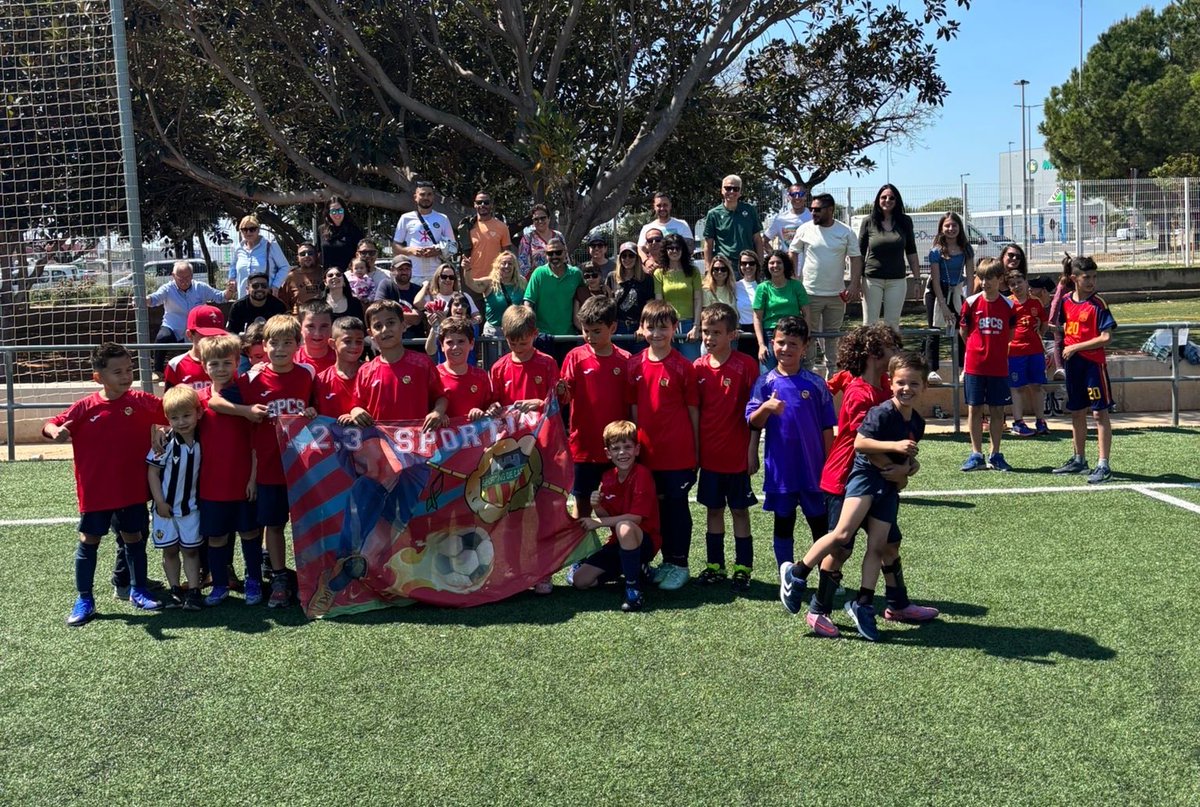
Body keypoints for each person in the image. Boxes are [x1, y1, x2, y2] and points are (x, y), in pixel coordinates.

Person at [779, 351, 928, 642]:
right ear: (890, 380)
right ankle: (798, 574)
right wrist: (896, 457)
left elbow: (908, 457)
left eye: (914, 383)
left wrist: (908, 469)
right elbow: (861, 443)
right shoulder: (880, 409)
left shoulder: (917, 422)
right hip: (861, 480)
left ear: (924, 387)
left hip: (886, 488)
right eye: (900, 382)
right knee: (841, 538)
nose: (906, 388)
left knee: (880, 545)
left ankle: (865, 603)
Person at [44, 342, 168, 626]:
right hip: (96, 492)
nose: (126, 376)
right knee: (89, 541)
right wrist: (56, 432)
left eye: (129, 370)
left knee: (134, 537)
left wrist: (165, 427)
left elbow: (173, 410)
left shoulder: (141, 401)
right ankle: (85, 598)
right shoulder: (86, 407)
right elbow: (53, 423)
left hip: (133, 489)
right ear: (98, 377)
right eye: (117, 372)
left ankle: (137, 590)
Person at [224, 314, 316, 609]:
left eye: (287, 343)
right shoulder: (250, 378)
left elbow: (320, 409)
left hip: (303, 468)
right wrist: (245, 409)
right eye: (273, 343)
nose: (279, 349)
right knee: (274, 525)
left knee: (307, 524)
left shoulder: (308, 374)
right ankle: (278, 577)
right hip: (268, 467)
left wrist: (313, 411)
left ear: (297, 345)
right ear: (264, 345)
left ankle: (311, 576)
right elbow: (214, 399)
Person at [745, 317, 835, 572]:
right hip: (781, 469)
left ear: (805, 347)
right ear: (772, 343)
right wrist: (766, 408)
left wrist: (829, 465)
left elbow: (827, 427)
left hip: (813, 469)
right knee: (783, 522)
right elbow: (752, 421)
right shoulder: (765, 384)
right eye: (781, 343)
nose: (786, 349)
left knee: (819, 524)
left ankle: (826, 574)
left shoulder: (816, 384)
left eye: (793, 344)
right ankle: (785, 572)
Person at [626, 300, 699, 591]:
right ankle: (663, 561)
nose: (656, 332)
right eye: (651, 326)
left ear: (674, 329)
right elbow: (633, 409)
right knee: (653, 509)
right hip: (646, 454)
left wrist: (696, 453)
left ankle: (679, 563)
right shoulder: (634, 364)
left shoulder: (683, 367)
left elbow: (693, 412)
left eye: (663, 327)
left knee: (677, 508)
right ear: (642, 328)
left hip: (678, 454)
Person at [693, 303, 760, 592]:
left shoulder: (746, 365)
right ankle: (714, 565)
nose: (709, 338)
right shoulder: (697, 368)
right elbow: (694, 414)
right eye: (706, 332)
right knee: (713, 511)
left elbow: (755, 416)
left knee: (740, 512)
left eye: (716, 333)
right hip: (709, 457)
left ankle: (743, 567)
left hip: (737, 456)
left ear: (732, 334)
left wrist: (752, 450)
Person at [196, 333, 267, 607]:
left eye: (226, 363)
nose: (220, 369)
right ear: (204, 366)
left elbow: (255, 444)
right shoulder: (198, 399)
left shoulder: (246, 393)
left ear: (238, 362)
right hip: (212, 483)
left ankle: (253, 581)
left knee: (249, 533)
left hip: (243, 480)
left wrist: (252, 478)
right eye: (214, 364)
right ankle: (219, 582)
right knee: (216, 537)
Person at [571, 420, 661, 613]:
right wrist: (597, 506)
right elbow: (610, 516)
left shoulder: (642, 474)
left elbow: (635, 519)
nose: (622, 453)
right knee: (581, 580)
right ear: (608, 453)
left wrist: (597, 522)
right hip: (618, 542)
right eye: (616, 448)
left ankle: (633, 588)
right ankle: (635, 569)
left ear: (637, 450)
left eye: (627, 447)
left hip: (644, 541)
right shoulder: (607, 477)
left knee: (625, 527)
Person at [561, 297, 631, 518]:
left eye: (596, 331)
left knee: (618, 506)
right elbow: (564, 398)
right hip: (584, 447)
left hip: (618, 448)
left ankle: (619, 550)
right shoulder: (575, 357)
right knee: (582, 505)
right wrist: (560, 391)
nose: (590, 337)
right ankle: (580, 553)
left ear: (613, 327)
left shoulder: (626, 360)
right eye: (586, 330)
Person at [1051, 254, 1117, 484]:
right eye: (1086, 277)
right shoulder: (1067, 301)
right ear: (1074, 278)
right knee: (1077, 411)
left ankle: (1103, 464)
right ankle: (1079, 459)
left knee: (1099, 412)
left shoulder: (1099, 303)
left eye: (1094, 277)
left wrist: (1076, 346)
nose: (1091, 281)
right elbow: (1058, 325)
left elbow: (1106, 336)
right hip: (1074, 365)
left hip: (1092, 365)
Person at [789, 192, 863, 373]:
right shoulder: (805, 229)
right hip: (809, 295)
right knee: (810, 336)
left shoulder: (845, 231)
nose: (813, 213)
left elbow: (856, 258)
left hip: (836, 296)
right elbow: (793, 252)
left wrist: (854, 285)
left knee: (832, 339)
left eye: (817, 210)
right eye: (812, 209)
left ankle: (832, 384)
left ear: (830, 210)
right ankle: (808, 378)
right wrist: (794, 279)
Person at [347, 300, 448, 428]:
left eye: (390, 323)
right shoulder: (365, 370)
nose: (385, 329)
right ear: (371, 333)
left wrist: (437, 412)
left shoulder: (423, 363)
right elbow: (356, 405)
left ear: (403, 325)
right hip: (380, 445)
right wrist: (356, 412)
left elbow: (441, 397)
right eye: (378, 326)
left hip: (418, 443)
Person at [147, 385, 204, 611]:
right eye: (174, 417)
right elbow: (152, 472)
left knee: (190, 550)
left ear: (198, 413)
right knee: (170, 549)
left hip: (191, 508)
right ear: (167, 419)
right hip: (166, 509)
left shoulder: (204, 438)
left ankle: (193, 591)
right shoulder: (165, 443)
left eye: (187, 415)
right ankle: (174, 590)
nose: (181, 422)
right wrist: (159, 501)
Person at [959, 258, 1016, 473]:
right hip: (975, 365)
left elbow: (1010, 334)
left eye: (990, 278)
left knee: (997, 410)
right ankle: (976, 454)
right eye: (981, 277)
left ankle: (995, 454)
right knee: (974, 409)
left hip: (999, 366)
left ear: (1000, 279)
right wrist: (976, 348)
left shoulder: (1009, 305)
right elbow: (964, 331)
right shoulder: (971, 302)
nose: (985, 282)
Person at [145, 259, 227, 374]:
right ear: (173, 276)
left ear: (192, 275)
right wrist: (146, 300)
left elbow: (220, 297)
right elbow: (155, 299)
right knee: (162, 338)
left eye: (187, 277)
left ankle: (205, 371)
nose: (184, 281)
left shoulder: (201, 287)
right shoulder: (167, 289)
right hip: (173, 326)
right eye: (180, 278)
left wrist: (229, 291)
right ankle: (157, 370)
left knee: (204, 346)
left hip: (196, 328)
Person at [858, 184, 920, 329]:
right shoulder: (868, 221)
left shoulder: (905, 221)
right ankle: (869, 353)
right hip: (872, 279)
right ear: (878, 200)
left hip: (897, 280)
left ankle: (891, 352)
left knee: (892, 325)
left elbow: (911, 251)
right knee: (869, 325)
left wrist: (917, 281)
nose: (887, 200)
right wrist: (856, 281)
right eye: (883, 197)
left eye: (891, 197)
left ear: (897, 200)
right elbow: (859, 254)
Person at [923, 212, 974, 385]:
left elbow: (971, 276)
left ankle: (963, 367)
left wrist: (970, 301)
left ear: (960, 228)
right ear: (941, 228)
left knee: (963, 327)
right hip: (937, 291)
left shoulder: (966, 249)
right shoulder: (936, 251)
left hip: (957, 289)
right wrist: (943, 307)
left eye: (954, 225)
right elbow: (935, 280)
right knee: (935, 328)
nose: (951, 229)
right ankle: (931, 369)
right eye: (947, 226)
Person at [489, 305, 561, 415]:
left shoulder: (548, 363)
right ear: (504, 334)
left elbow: (558, 402)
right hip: (511, 429)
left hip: (540, 429)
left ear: (535, 333)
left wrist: (540, 404)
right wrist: (493, 407)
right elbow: (493, 401)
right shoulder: (498, 368)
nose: (518, 348)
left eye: (523, 343)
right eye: (512, 343)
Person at [523, 236, 582, 363]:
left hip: (568, 337)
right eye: (550, 253)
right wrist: (530, 327)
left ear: (565, 252)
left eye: (558, 252)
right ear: (545, 255)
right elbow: (528, 303)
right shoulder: (539, 273)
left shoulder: (576, 274)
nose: (554, 256)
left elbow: (585, 300)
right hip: (543, 338)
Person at [1005, 266, 1049, 437]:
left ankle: (1041, 421)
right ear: (1009, 287)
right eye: (1013, 284)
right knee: (1017, 387)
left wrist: (1041, 330)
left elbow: (1044, 323)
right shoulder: (1008, 303)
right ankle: (1018, 422)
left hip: (1035, 351)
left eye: (1019, 282)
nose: (1017, 286)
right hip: (1014, 352)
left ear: (1026, 282)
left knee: (1037, 386)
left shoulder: (1035, 302)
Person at [752, 250, 810, 370]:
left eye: (779, 262)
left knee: (794, 373)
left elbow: (807, 314)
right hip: (770, 335)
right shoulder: (762, 288)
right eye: (771, 263)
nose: (775, 266)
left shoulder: (796, 286)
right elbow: (757, 318)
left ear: (785, 265)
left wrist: (805, 340)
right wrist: (761, 345)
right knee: (767, 375)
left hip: (794, 333)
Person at [392, 180, 455, 284]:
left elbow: (453, 246)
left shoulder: (442, 218)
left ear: (433, 197)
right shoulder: (405, 218)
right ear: (415, 197)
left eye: (429, 194)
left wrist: (437, 251)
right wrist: (411, 251)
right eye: (422, 194)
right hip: (413, 275)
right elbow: (395, 246)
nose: (426, 197)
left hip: (437, 275)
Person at [436, 316, 498, 420]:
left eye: (461, 341)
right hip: (443, 435)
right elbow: (423, 410)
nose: (455, 347)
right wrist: (437, 415)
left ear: (471, 344)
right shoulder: (434, 375)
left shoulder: (481, 376)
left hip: (475, 435)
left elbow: (490, 410)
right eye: (450, 342)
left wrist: (481, 412)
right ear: (442, 345)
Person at [653, 232, 703, 361]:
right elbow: (660, 303)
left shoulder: (693, 271)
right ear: (665, 250)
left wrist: (696, 326)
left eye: (677, 248)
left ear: (683, 250)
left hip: (689, 325)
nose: (674, 251)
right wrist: (666, 326)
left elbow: (698, 299)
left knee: (692, 365)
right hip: (668, 325)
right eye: (670, 248)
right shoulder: (659, 273)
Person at [464, 251, 526, 345]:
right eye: (503, 263)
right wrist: (467, 269)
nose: (506, 266)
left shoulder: (522, 282)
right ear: (497, 265)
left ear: (515, 267)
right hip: (494, 332)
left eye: (510, 263)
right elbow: (470, 283)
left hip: (516, 331)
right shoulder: (489, 283)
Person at [703, 174, 767, 265]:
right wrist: (707, 268)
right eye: (728, 188)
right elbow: (708, 244)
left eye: (736, 189)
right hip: (724, 265)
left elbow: (757, 239)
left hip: (748, 263)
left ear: (740, 192)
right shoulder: (713, 214)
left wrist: (760, 264)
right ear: (722, 190)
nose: (732, 191)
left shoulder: (750, 210)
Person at [164, 304, 228, 390]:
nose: (212, 340)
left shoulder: (229, 363)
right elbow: (169, 401)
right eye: (206, 336)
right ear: (190, 335)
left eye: (217, 335)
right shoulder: (176, 365)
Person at [313, 316, 366, 419]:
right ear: (332, 344)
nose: (354, 346)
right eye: (347, 341)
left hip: (370, 435)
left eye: (359, 341)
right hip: (331, 435)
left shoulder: (371, 373)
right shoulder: (321, 381)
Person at [457, 190, 512, 282]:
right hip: (472, 280)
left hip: (495, 279)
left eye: (486, 202)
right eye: (479, 202)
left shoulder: (502, 227)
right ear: (475, 204)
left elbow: (507, 255)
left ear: (491, 205)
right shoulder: (466, 227)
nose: (482, 205)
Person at [607, 241, 653, 349]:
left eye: (631, 255)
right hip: (617, 327)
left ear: (637, 258)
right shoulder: (612, 277)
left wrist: (643, 326)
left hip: (638, 327)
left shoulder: (646, 279)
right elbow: (608, 304)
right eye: (624, 256)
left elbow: (649, 307)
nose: (627, 259)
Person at [229, 215, 289, 297]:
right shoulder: (238, 248)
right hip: (243, 299)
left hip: (265, 297)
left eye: (252, 229)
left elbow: (285, 267)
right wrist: (232, 278)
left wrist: (276, 285)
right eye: (244, 230)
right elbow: (233, 266)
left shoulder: (270, 245)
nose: (248, 232)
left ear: (258, 230)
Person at [372, 255, 424, 339]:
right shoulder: (386, 285)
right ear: (392, 270)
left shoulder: (418, 290)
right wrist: (410, 316)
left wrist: (391, 316)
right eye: (400, 269)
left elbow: (417, 319)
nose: (404, 272)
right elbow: (379, 310)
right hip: (390, 338)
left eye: (407, 269)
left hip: (415, 339)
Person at [424, 292, 480, 367]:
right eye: (456, 304)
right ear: (450, 308)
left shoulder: (472, 326)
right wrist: (435, 326)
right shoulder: (441, 326)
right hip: (445, 373)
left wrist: (445, 323)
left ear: (467, 310)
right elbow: (430, 351)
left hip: (468, 371)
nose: (460, 307)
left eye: (464, 305)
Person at [637, 191, 694, 263]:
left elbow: (690, 248)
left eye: (665, 205)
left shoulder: (682, 225)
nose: (662, 208)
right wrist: (646, 261)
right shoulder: (647, 228)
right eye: (659, 205)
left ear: (670, 205)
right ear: (654, 207)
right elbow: (640, 249)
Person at [226, 270, 288, 336]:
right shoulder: (238, 307)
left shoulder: (278, 306)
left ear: (268, 288)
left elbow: (285, 332)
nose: (260, 289)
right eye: (255, 286)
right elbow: (232, 334)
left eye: (263, 286)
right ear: (248, 288)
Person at [517, 203, 565, 278]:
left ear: (549, 218)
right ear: (533, 222)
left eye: (543, 218)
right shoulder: (527, 239)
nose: (540, 221)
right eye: (536, 219)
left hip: (559, 279)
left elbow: (566, 259)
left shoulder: (559, 236)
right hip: (538, 282)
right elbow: (522, 266)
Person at [1046, 250, 1073, 381]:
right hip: (1066, 317)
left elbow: (1055, 301)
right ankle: (1061, 368)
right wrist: (1051, 320)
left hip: (1064, 317)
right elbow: (1056, 301)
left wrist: (1051, 319)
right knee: (1060, 341)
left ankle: (1060, 367)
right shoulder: (1070, 283)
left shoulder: (1063, 282)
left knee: (1059, 342)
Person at [319, 196, 364, 274]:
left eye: (340, 210)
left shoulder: (354, 230)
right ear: (328, 213)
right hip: (329, 277)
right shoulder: (321, 230)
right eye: (333, 211)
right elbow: (319, 253)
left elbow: (360, 255)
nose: (337, 214)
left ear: (344, 211)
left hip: (350, 276)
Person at [278, 242, 324, 313]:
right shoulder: (291, 277)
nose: (306, 256)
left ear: (316, 256)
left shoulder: (325, 273)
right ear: (297, 258)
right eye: (302, 254)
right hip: (300, 320)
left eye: (310, 253)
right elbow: (283, 302)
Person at [764, 183, 812, 252]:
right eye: (793, 194)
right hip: (788, 262)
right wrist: (775, 256)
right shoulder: (780, 219)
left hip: (809, 262)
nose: (797, 197)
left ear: (805, 196)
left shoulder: (813, 217)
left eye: (800, 194)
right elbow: (764, 241)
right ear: (789, 197)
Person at [295, 300, 336, 374]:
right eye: (311, 326)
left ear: (332, 327)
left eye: (324, 326)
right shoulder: (291, 360)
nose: (317, 333)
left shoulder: (341, 359)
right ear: (300, 327)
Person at [734, 250, 762, 359]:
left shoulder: (763, 285)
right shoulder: (735, 286)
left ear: (756, 265)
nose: (747, 266)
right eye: (744, 263)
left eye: (751, 263)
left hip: (760, 332)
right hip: (741, 334)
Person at [572, 260, 611, 331]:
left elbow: (611, 315)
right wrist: (587, 332)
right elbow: (576, 319)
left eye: (594, 275)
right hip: (583, 333)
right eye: (587, 276)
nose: (591, 279)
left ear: (600, 276)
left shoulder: (606, 291)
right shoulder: (580, 291)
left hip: (602, 334)